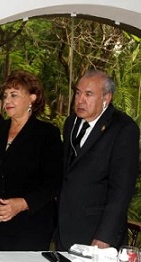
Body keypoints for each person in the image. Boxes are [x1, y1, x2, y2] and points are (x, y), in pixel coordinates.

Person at [0, 70, 63, 251]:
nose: (7, 101)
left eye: (14, 95)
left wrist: (21, 204)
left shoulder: (47, 134)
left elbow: (53, 182)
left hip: (32, 226)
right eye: (6, 95)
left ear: (33, 97)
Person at [56, 70, 139, 251]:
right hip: (66, 229)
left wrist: (104, 236)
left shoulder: (123, 129)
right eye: (78, 93)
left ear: (106, 99)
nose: (80, 100)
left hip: (97, 235)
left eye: (88, 94)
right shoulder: (71, 123)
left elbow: (122, 189)